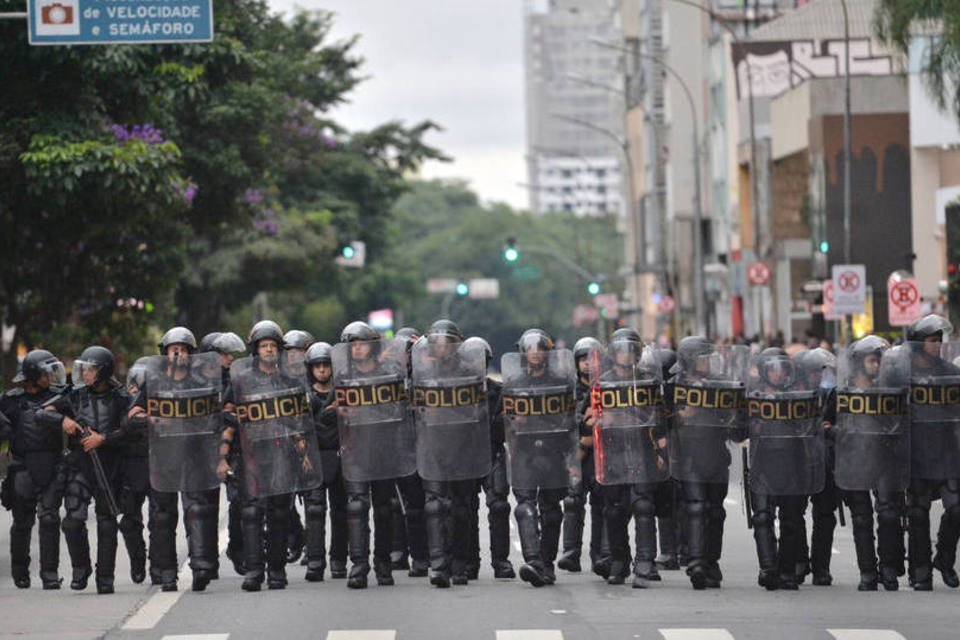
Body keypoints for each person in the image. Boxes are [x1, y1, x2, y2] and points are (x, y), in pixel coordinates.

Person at [43, 346, 130, 594]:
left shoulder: (121, 397)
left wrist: (104, 439)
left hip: (109, 466)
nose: (85, 373)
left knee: (106, 522)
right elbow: (41, 413)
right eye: (85, 368)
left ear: (102, 371)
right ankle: (81, 569)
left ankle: (105, 578)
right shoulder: (74, 395)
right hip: (79, 466)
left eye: (91, 369)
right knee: (72, 522)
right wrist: (63, 420)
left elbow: (131, 430)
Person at [502, 329, 579, 587]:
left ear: (547, 352)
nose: (535, 352)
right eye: (531, 348)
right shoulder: (513, 384)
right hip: (524, 451)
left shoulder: (561, 381)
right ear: (523, 353)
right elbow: (505, 420)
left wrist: (572, 459)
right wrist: (514, 422)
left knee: (551, 511)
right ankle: (533, 561)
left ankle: (547, 564)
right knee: (524, 507)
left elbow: (570, 420)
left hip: (553, 451)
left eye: (540, 348)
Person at [669, 336, 747, 589]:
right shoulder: (673, 387)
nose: (707, 362)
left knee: (715, 511)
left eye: (708, 357)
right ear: (689, 360)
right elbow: (659, 420)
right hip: (688, 455)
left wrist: (736, 413)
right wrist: (681, 414)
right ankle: (695, 562)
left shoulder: (722, 385)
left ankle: (711, 561)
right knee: (695, 507)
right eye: (702, 357)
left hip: (715, 454)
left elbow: (738, 425)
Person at [593, 329, 667, 588]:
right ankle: (618, 561)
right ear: (614, 354)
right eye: (622, 350)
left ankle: (645, 561)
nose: (626, 354)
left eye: (631, 349)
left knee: (644, 505)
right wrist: (600, 419)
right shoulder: (601, 383)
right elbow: (588, 417)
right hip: (613, 450)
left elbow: (660, 416)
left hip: (642, 449)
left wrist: (662, 451)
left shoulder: (648, 381)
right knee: (614, 510)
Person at [747, 347, 820, 591]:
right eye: (774, 369)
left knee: (790, 519)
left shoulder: (798, 397)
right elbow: (737, 431)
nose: (779, 374)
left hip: (792, 463)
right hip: (763, 464)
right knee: (762, 517)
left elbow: (811, 430)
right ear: (764, 371)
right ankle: (768, 568)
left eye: (783, 368)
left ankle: (787, 571)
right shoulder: (753, 396)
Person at [0, 350, 68, 589]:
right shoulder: (10, 400)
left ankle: (49, 574)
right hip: (22, 468)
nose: (50, 377)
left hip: (51, 465)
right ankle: (20, 573)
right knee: (22, 522)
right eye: (45, 373)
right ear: (33, 375)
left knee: (49, 519)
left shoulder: (60, 397)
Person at [904, 315, 960, 591]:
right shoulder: (901, 375)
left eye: (939, 341)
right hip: (917, 454)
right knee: (917, 514)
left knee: (957, 508)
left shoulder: (951, 373)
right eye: (931, 341)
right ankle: (921, 570)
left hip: (948, 454)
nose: (936, 346)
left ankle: (945, 559)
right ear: (917, 343)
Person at [465, 336, 516, 579]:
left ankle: (501, 561)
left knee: (499, 505)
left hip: (492, 452)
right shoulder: (454, 393)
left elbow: (504, 428)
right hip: (464, 454)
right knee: (464, 508)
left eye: (480, 360)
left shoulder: (499, 391)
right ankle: (469, 561)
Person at [558, 336, 606, 576]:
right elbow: (563, 420)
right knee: (573, 501)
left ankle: (601, 554)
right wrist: (579, 442)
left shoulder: (608, 387)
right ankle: (570, 552)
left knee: (602, 503)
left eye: (591, 358)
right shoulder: (569, 389)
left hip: (601, 454)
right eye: (582, 359)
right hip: (575, 453)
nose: (587, 364)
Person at [302, 340, 348, 581]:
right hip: (314, 457)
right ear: (310, 369)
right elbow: (296, 428)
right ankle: (315, 561)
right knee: (315, 511)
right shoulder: (303, 396)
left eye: (326, 365)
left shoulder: (343, 392)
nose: (322, 369)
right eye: (317, 365)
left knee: (342, 511)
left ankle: (339, 560)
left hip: (339, 455)